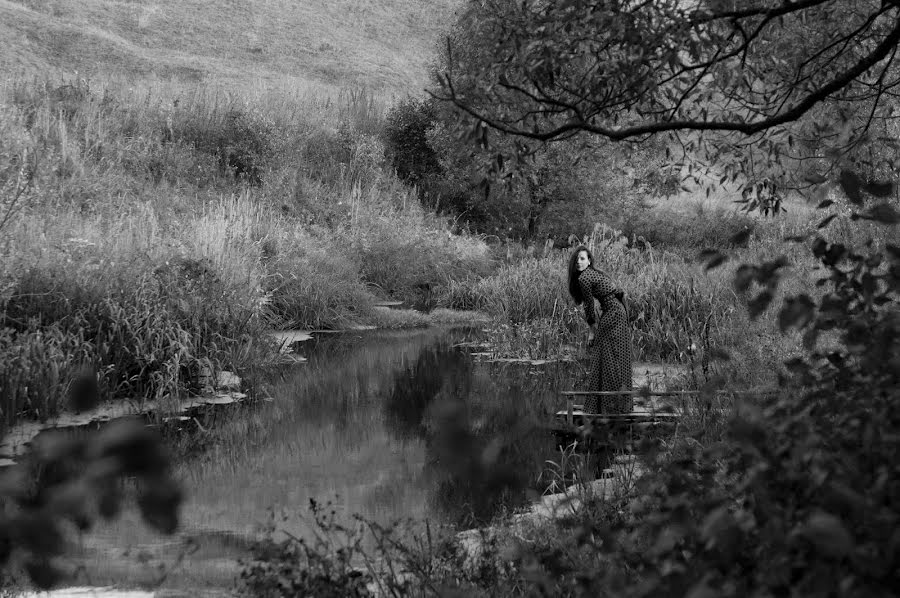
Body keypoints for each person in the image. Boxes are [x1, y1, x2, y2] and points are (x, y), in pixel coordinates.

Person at [568, 245, 633, 413]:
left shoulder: (584, 278)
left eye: (582, 258)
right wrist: (626, 316)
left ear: (589, 261)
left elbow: (589, 306)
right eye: (576, 259)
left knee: (605, 355)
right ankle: (617, 404)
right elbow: (619, 293)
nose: (579, 262)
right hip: (617, 313)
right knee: (616, 355)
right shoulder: (597, 274)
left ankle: (605, 405)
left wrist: (591, 331)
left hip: (613, 314)